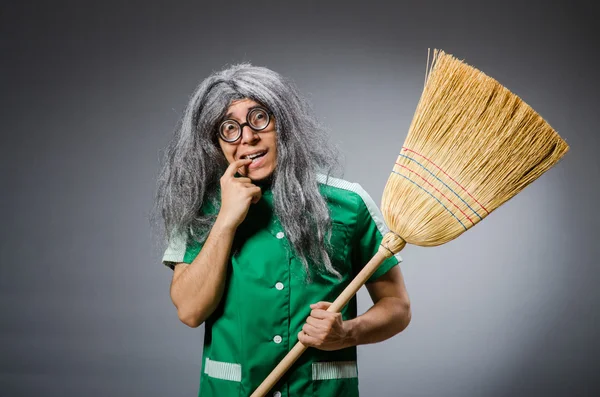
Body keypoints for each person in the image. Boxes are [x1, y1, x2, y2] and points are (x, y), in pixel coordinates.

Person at [154, 64, 411, 396]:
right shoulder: (201, 208)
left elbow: (397, 306)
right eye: (228, 128)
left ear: (284, 122)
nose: (247, 137)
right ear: (216, 143)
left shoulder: (350, 203)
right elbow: (190, 311)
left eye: (259, 118)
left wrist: (347, 332)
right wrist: (226, 220)